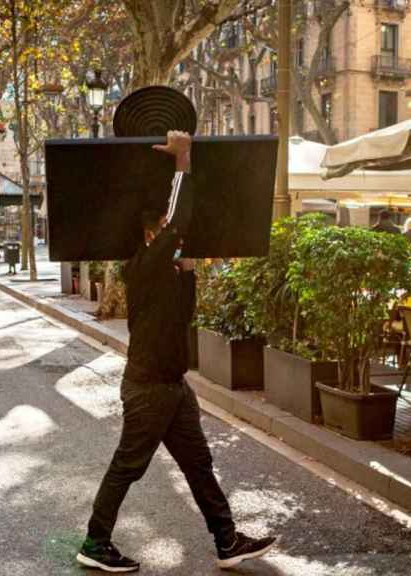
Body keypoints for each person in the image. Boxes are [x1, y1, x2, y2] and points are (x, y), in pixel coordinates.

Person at [78, 131, 277, 573]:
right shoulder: (143, 266)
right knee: (127, 466)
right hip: (149, 389)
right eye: (164, 232)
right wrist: (183, 159)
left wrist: (188, 273)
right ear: (152, 235)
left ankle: (227, 541)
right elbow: (181, 219)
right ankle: (95, 542)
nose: (173, 237)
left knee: (199, 466)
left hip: (173, 386)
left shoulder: (165, 270)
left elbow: (183, 314)